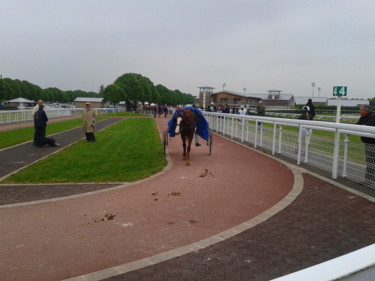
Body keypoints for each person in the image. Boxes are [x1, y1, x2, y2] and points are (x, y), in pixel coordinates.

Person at [356, 104, 375, 186]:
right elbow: (357, 126)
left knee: (371, 162)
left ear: (365, 111)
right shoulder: (363, 117)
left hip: (372, 143)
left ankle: (369, 181)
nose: (359, 111)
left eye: (360, 110)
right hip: (368, 143)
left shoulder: (373, 117)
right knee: (370, 162)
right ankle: (369, 180)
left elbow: (367, 127)